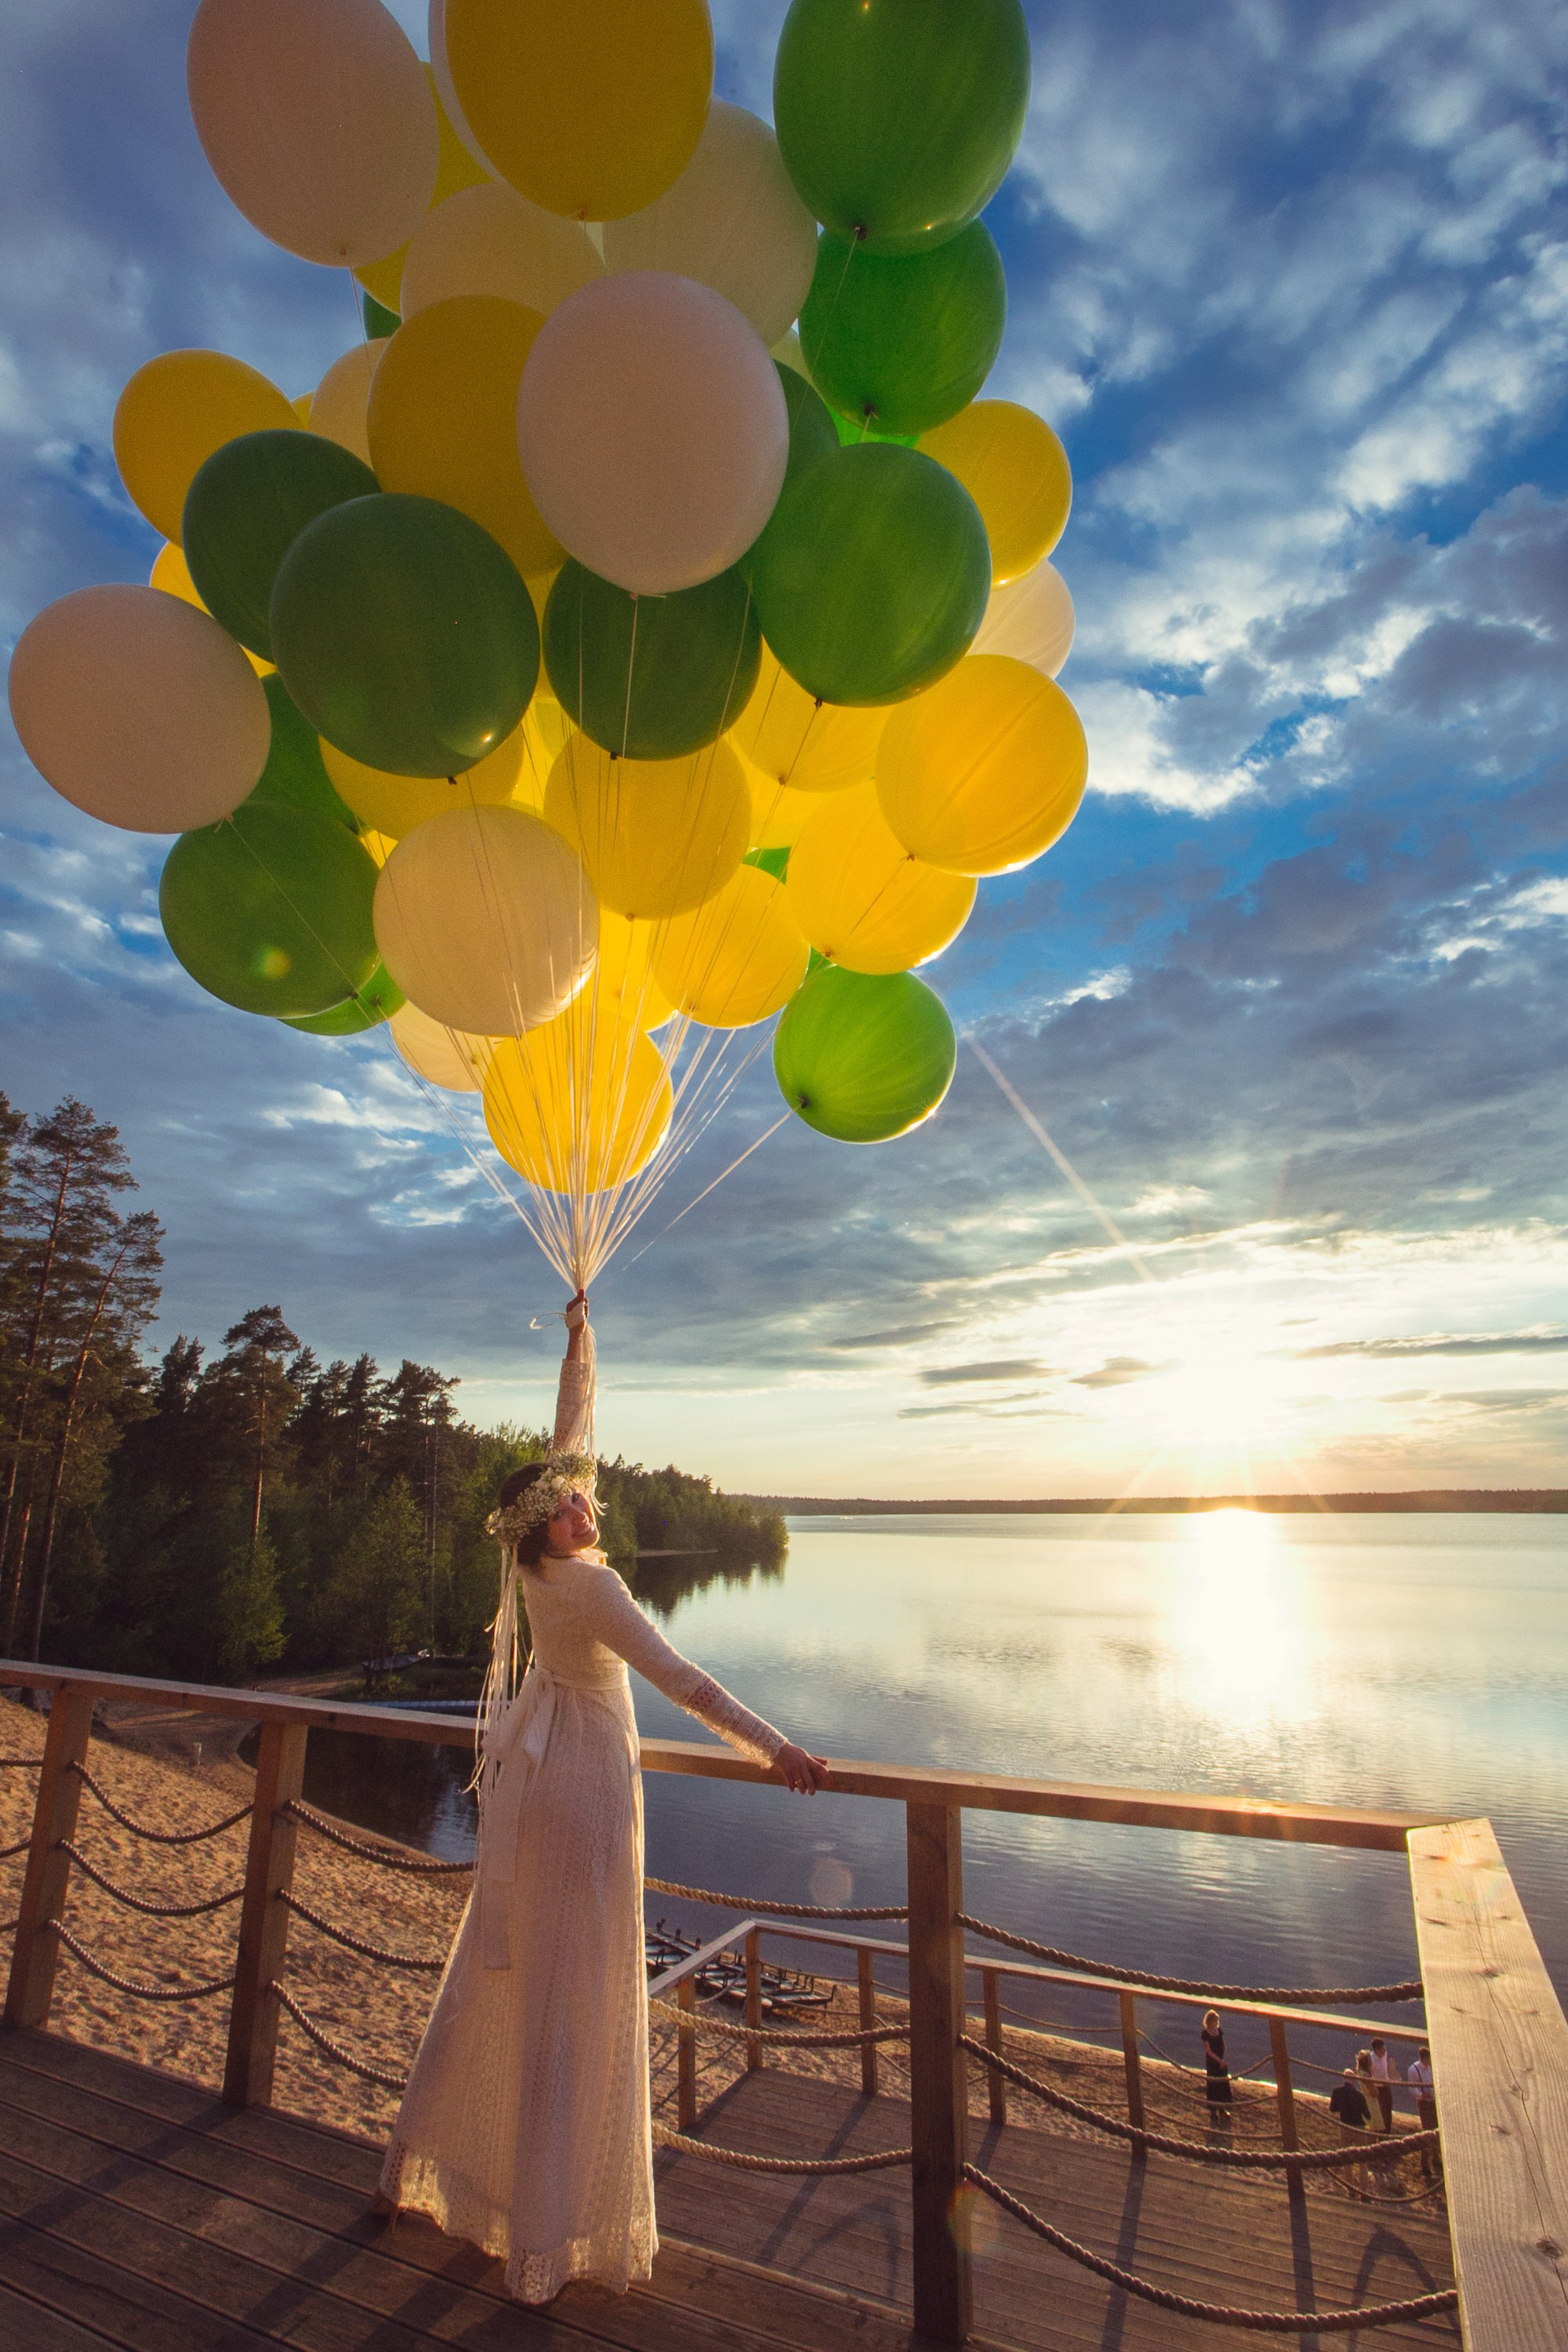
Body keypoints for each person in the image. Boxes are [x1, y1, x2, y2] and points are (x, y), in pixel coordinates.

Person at [374, 1290, 833, 2306]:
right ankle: (547, 2220)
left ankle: (436, 2166)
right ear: (547, 1527)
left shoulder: (549, 1571)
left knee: (514, 1971)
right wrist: (778, 1749)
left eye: (580, 1498)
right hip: (584, 1796)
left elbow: (571, 1438)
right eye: (572, 1503)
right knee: (577, 1991)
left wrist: (581, 1339)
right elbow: (687, 1683)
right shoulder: (596, 1588)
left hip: (546, 1785)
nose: (589, 1502)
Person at [1330, 2067, 1373, 2199]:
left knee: (1347, 2160)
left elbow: (1333, 2109)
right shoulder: (1359, 2096)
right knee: (1362, 2162)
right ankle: (1364, 2191)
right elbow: (1367, 2115)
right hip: (1358, 2128)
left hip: (1345, 2126)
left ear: (1344, 2078)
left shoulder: (1336, 2092)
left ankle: (1351, 2190)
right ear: (1354, 2080)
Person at [1408, 2044, 1439, 2181]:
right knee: (1427, 2132)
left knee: (1436, 2130)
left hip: (1433, 2103)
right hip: (1424, 2104)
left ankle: (1435, 2156)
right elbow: (1412, 2088)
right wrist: (1422, 2096)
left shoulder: (1430, 2068)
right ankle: (1425, 2164)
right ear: (1425, 2058)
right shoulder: (1414, 2070)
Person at [1200, 2009, 1232, 2122]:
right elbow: (1208, 2051)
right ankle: (1213, 2111)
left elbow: (1224, 2045)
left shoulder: (1219, 2031)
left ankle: (1223, 2109)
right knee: (1213, 2085)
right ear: (1210, 2021)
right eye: (1215, 2021)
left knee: (1223, 2085)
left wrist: (1223, 2060)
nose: (1217, 2023)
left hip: (1221, 2062)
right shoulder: (1205, 2033)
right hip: (1213, 2063)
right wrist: (1219, 2060)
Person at [1367, 2037, 1395, 2132]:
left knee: (1388, 2109)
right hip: (1378, 2088)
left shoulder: (1384, 2055)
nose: (1385, 2051)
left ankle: (1388, 2131)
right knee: (1381, 2111)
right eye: (1383, 2049)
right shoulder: (1370, 2060)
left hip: (1386, 2086)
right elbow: (1370, 2076)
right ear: (1377, 2050)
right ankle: (1381, 2132)